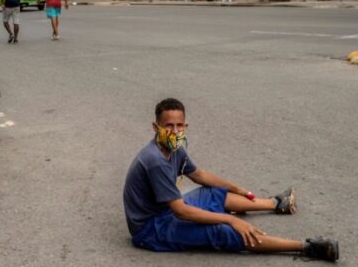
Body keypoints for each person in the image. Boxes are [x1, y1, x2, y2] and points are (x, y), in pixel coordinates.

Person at [122, 98, 339, 262]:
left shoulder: (175, 148)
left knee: (212, 192)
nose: (175, 131)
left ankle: (275, 203)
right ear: (155, 127)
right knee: (224, 230)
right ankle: (307, 247)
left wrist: (238, 189)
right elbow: (181, 211)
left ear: (185, 126)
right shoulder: (155, 160)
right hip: (151, 229)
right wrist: (231, 219)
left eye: (179, 125)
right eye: (168, 126)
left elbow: (199, 175)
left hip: (166, 211)